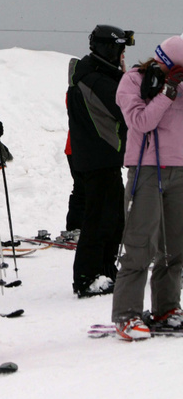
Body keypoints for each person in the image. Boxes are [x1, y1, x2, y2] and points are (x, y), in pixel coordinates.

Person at [111, 35, 183, 340]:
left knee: (174, 247)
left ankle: (166, 307)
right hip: (147, 169)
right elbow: (140, 122)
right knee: (140, 244)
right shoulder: (134, 80)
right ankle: (126, 313)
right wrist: (167, 92)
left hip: (180, 170)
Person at [66, 24, 134, 298]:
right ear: (108, 48)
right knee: (99, 219)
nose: (122, 57)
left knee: (114, 217)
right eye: (119, 50)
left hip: (104, 156)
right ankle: (87, 277)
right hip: (97, 157)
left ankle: (105, 270)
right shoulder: (95, 78)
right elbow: (125, 109)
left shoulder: (100, 74)